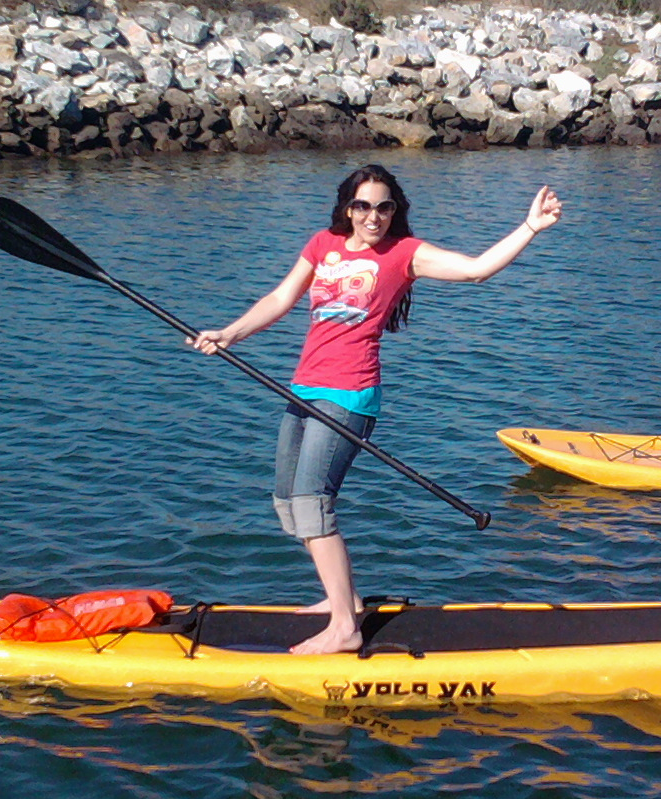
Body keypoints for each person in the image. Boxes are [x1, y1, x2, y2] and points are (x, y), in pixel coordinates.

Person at [192, 166, 564, 654]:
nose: (374, 216)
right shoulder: (322, 243)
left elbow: (476, 269)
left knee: (311, 500)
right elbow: (281, 298)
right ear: (349, 207)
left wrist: (529, 228)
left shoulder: (404, 254)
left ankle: (345, 626)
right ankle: (342, 598)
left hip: (350, 395)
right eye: (364, 206)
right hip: (304, 388)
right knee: (287, 502)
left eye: (384, 207)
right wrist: (229, 333)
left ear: (395, 210)